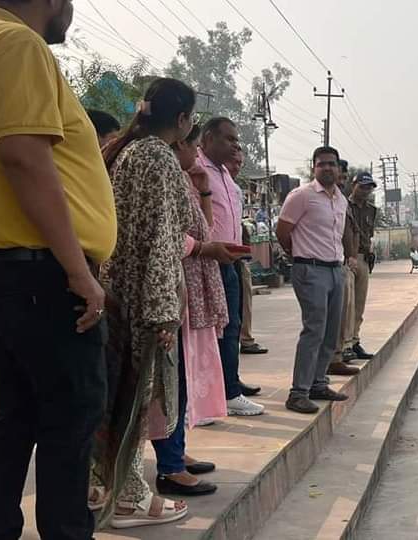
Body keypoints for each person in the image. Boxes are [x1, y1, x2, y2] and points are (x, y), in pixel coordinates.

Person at [0, 1, 115, 537]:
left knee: (15, 412)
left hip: (5, 271)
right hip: (40, 272)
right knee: (72, 415)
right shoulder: (16, 44)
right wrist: (78, 270)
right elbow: (24, 157)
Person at [94, 77, 196, 529]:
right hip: (141, 300)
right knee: (134, 402)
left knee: (115, 399)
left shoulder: (124, 150)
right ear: (182, 120)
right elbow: (161, 239)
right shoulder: (156, 158)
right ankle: (131, 498)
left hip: (116, 291)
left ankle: (109, 486)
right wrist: (162, 311)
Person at [149, 123, 237, 498]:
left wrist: (202, 187)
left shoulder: (185, 178)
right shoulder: (160, 175)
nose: (196, 153)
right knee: (171, 379)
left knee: (183, 375)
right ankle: (169, 466)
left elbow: (206, 228)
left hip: (193, 283)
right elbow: (167, 233)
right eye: (192, 145)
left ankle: (176, 454)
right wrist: (203, 251)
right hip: (172, 286)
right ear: (181, 142)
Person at [277, 146, 353, 414]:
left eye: (332, 164)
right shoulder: (301, 196)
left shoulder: (340, 199)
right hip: (310, 270)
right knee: (314, 330)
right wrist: (296, 253)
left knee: (332, 331)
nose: (328, 168)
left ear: (339, 168)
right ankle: (298, 393)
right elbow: (282, 231)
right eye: (322, 164)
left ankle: (318, 383)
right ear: (313, 167)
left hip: (334, 270)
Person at [197, 117, 264, 416]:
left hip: (232, 261)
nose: (236, 145)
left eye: (237, 140)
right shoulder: (197, 170)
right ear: (208, 138)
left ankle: (229, 384)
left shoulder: (225, 173)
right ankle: (223, 392)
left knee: (233, 326)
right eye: (229, 139)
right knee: (215, 329)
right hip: (208, 260)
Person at [224, 147, 268, 356]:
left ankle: (245, 339)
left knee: (243, 303)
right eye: (233, 161)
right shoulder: (208, 182)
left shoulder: (235, 189)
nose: (236, 166)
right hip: (221, 256)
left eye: (240, 163)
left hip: (239, 255)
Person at [341, 172, 379, 360]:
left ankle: (355, 341)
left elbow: (368, 234)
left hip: (364, 257)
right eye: (362, 186)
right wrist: (349, 256)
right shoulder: (344, 206)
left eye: (369, 187)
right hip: (348, 258)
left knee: (359, 304)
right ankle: (345, 344)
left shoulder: (371, 210)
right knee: (347, 304)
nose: (366, 191)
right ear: (353, 185)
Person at [329, 160, 361, 375]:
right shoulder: (312, 197)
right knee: (332, 316)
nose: (343, 178)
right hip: (328, 264)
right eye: (341, 173)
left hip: (343, 261)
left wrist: (350, 255)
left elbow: (350, 232)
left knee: (347, 310)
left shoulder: (341, 201)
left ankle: (340, 352)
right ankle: (332, 357)